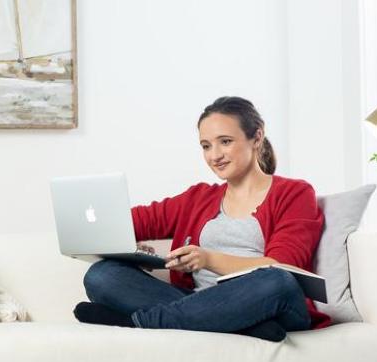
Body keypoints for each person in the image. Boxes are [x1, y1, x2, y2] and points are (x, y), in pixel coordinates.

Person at [73, 96, 331, 341]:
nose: (214, 155)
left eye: (225, 141)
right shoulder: (198, 197)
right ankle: (241, 327)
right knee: (102, 276)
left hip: (271, 301)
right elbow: (131, 221)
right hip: (197, 301)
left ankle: (139, 323)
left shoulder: (294, 192)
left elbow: (283, 266)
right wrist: (129, 247)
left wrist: (207, 259)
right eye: (206, 146)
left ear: (257, 137)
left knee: (277, 280)